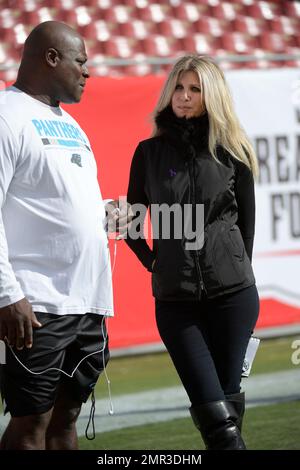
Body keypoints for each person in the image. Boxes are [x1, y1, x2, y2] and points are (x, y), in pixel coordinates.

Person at [0, 21, 131, 450]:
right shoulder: (7, 115)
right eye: (81, 61)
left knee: (66, 420)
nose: (87, 71)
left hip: (88, 300)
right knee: (30, 424)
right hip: (37, 303)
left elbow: (62, 201)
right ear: (51, 58)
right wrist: (7, 295)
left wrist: (107, 215)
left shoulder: (70, 123)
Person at [126, 55, 260, 450]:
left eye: (195, 89)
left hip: (234, 297)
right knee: (213, 411)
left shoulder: (233, 151)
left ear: (211, 95)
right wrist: (155, 261)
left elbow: (245, 227)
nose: (184, 97)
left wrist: (235, 270)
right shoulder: (148, 154)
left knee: (228, 409)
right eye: (179, 88)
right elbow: (133, 224)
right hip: (175, 302)